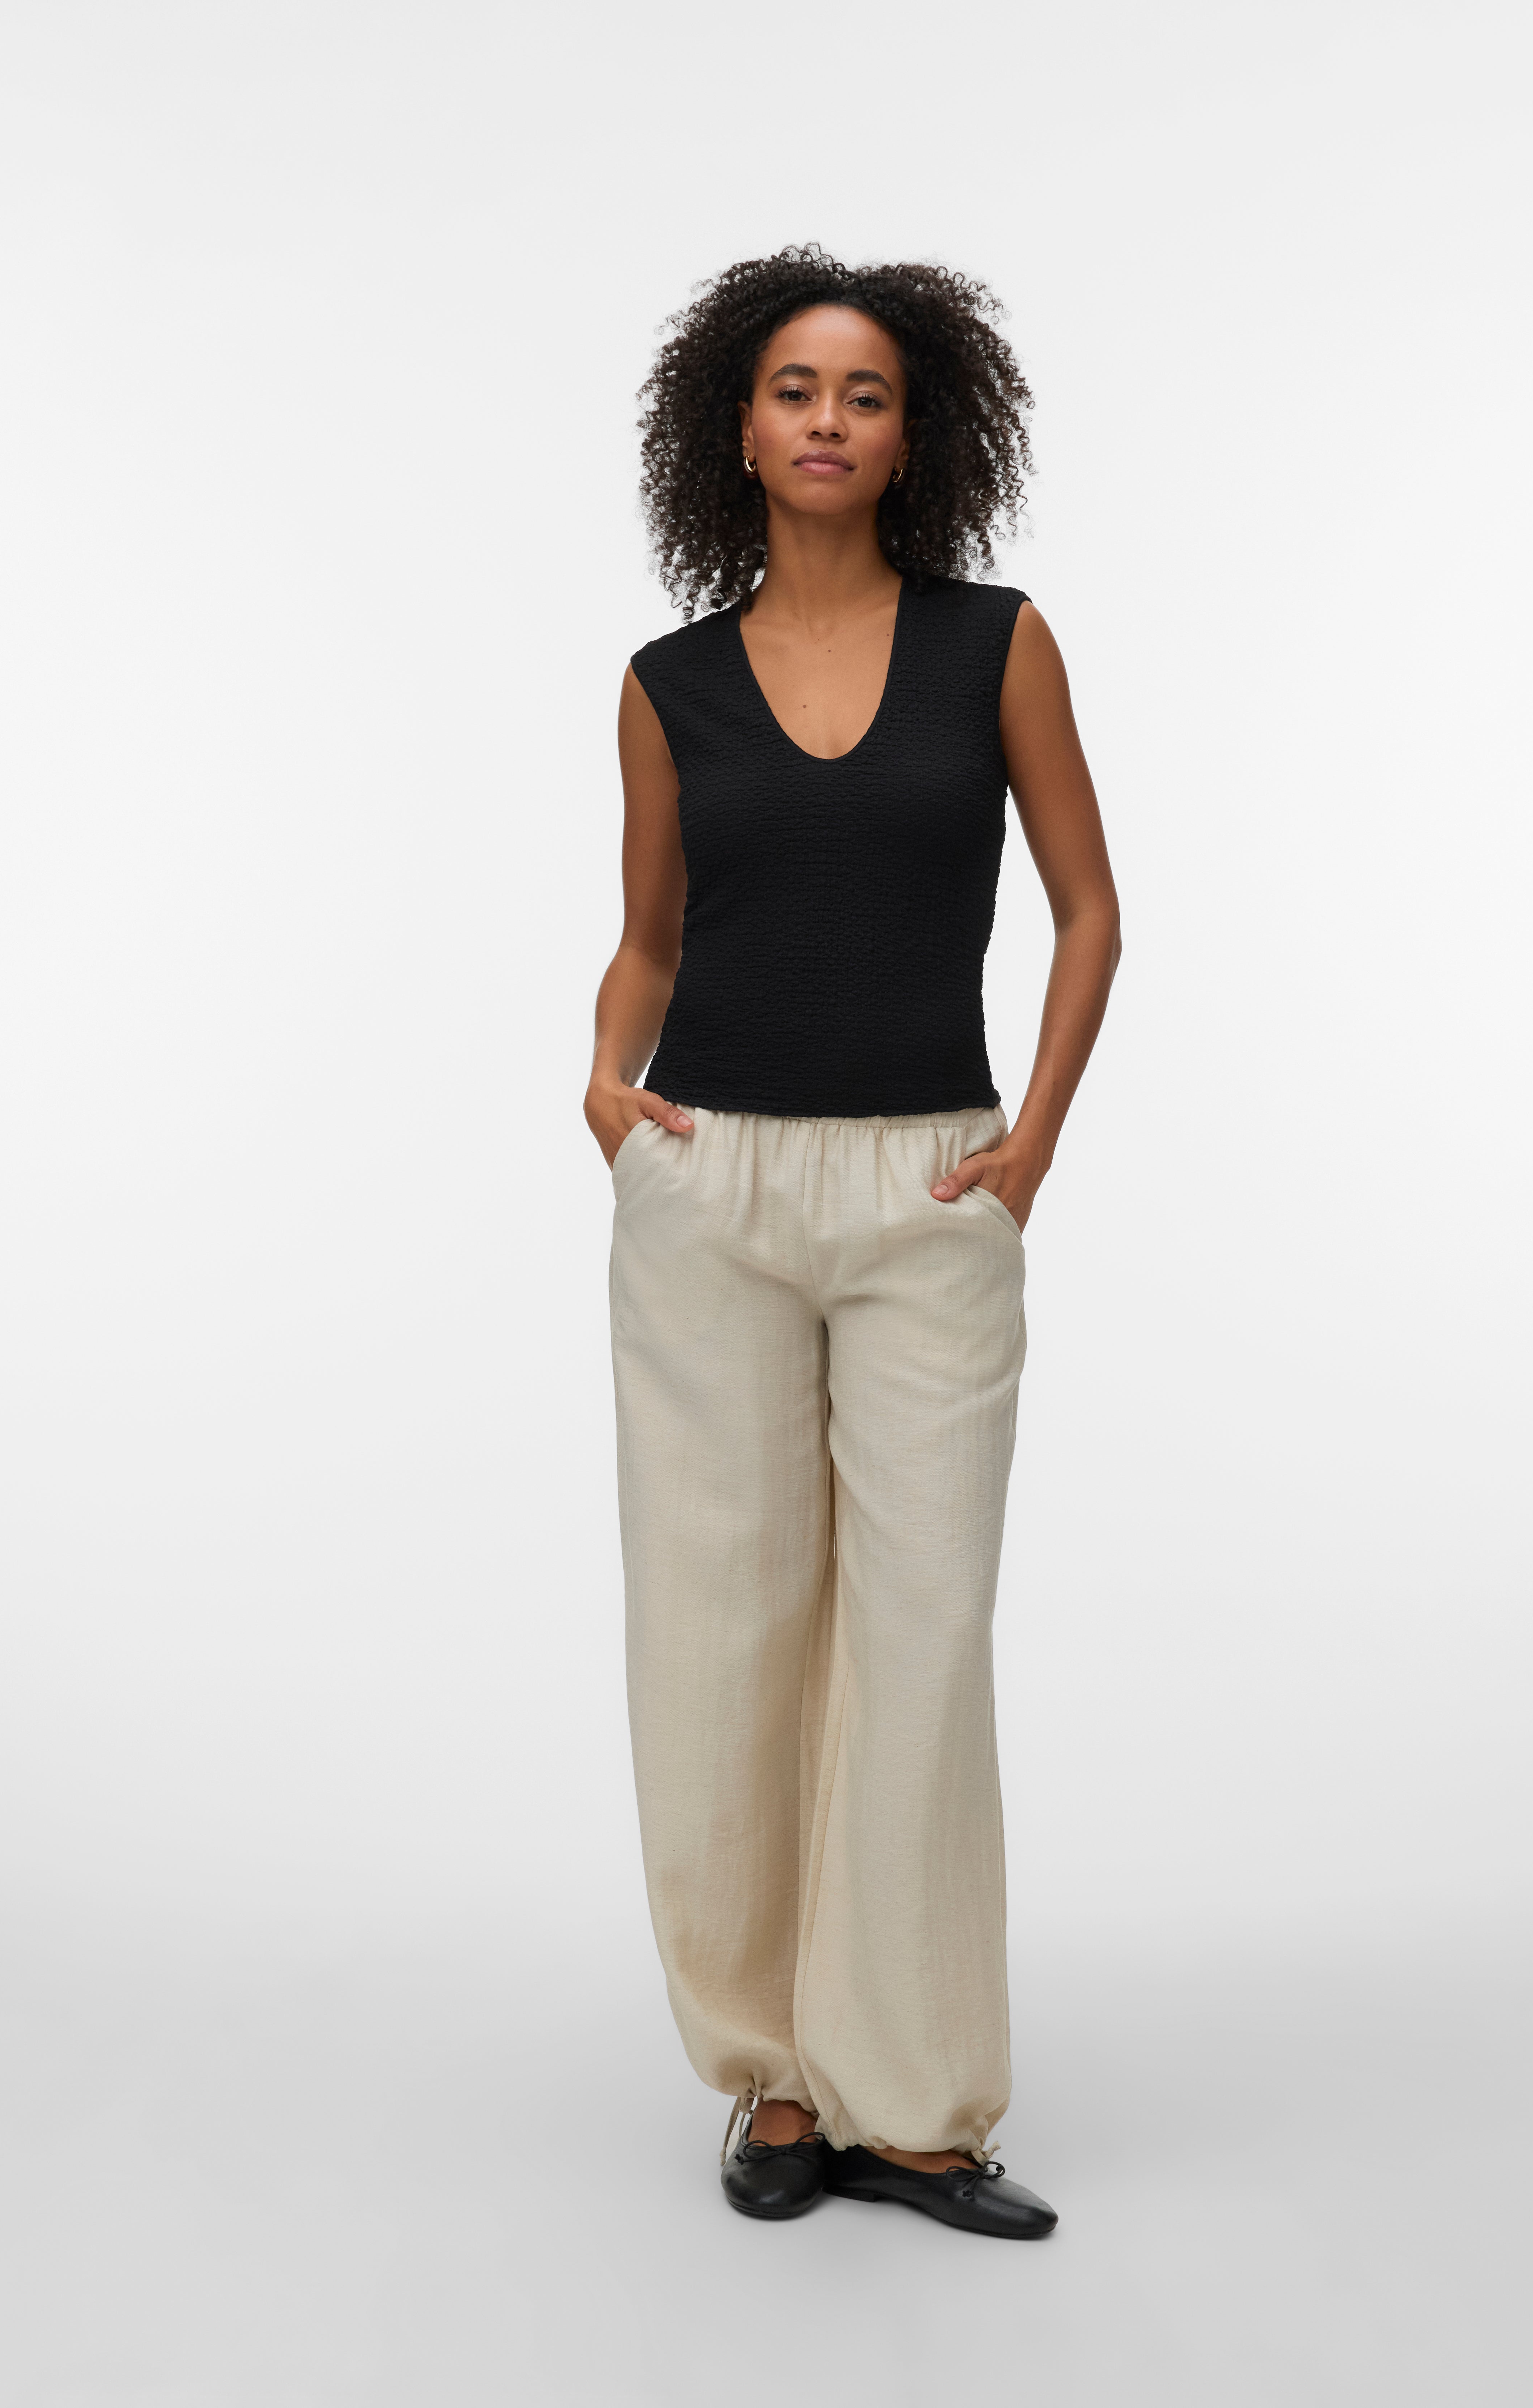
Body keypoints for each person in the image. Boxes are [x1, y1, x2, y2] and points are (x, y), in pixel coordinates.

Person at [585, 245, 1119, 2240]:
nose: (828, 419)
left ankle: (915, 2106)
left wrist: (1031, 1144)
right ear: (737, 429)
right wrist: (605, 1086)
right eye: (796, 389)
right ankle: (778, 2082)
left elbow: (1087, 908)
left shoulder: (998, 645)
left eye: (866, 393)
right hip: (710, 1191)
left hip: (928, 1193)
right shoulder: (667, 687)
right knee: (719, 1638)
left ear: (915, 436)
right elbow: (650, 937)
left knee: (919, 1636)